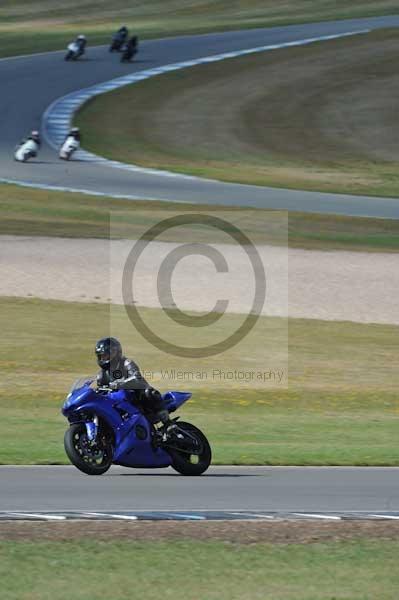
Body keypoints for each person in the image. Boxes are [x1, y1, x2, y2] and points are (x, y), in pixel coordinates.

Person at [95, 337, 169, 423]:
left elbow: (137, 378)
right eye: (101, 356)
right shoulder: (101, 375)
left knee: (149, 392)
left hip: (138, 398)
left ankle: (167, 423)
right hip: (117, 402)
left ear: (116, 352)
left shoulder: (127, 363)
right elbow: (101, 391)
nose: (103, 359)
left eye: (106, 355)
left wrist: (119, 384)